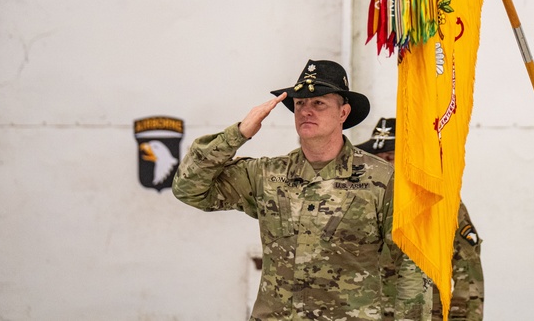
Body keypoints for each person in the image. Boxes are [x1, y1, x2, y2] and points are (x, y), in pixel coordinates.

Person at [172, 59, 430, 321]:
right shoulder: (267, 175)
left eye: (318, 103)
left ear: (343, 113)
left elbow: (412, 265)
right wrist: (238, 134)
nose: (306, 110)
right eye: (300, 104)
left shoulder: (383, 179)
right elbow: (188, 188)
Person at [358, 117, 485, 321]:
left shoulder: (441, 203)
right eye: (378, 158)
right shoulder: (360, 201)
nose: (383, 165)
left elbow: (467, 273)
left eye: (390, 157)